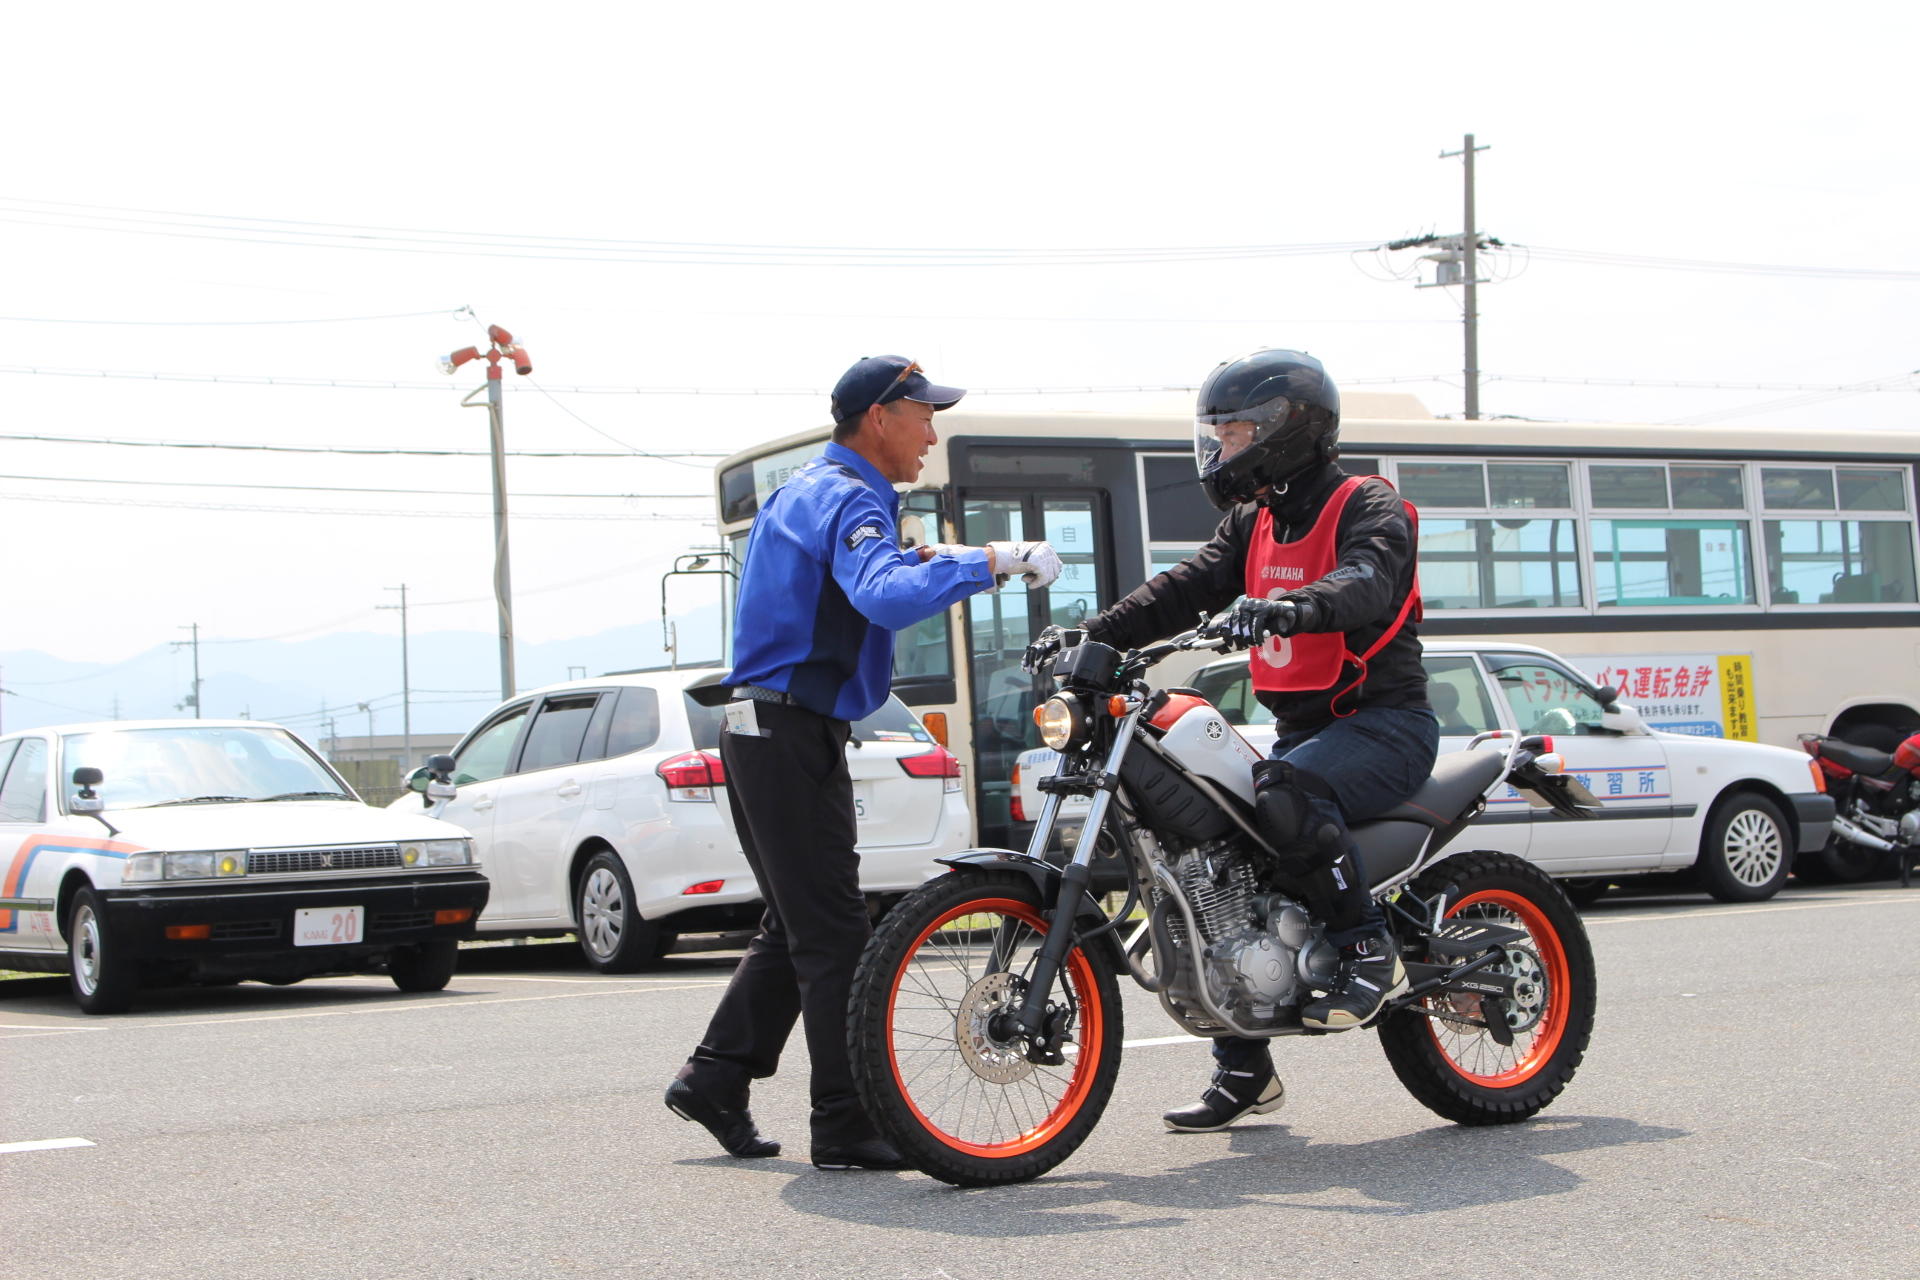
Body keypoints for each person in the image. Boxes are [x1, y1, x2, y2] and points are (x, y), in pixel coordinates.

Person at [1024, 348, 1437, 1133]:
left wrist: (1293, 607)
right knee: (1200, 844)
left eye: (1238, 431)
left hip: (1383, 726)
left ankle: (1364, 948)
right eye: (1215, 432)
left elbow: (1369, 579)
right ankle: (1244, 1065)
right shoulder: (1253, 520)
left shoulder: (1369, 503)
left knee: (1287, 792)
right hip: (1303, 731)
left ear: (1292, 428)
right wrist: (1091, 634)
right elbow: (1182, 589)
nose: (1221, 449)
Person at [666, 355, 1063, 1171]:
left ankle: (715, 1077)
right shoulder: (850, 499)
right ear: (879, 418)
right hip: (786, 733)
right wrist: (989, 564)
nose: (932, 431)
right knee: (835, 931)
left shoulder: (815, 490)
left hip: (763, 732)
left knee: (800, 924)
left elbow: (884, 571)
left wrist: (985, 554)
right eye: (924, 413)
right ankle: (844, 1122)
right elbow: (883, 590)